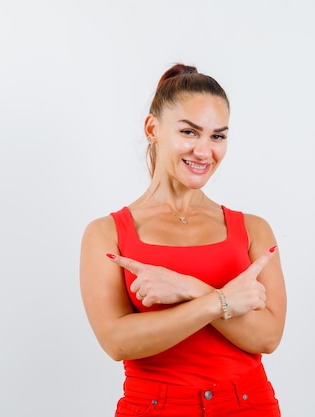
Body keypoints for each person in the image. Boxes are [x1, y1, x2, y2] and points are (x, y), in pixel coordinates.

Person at [79, 63, 287, 417]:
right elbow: (117, 342)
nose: (204, 152)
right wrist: (219, 301)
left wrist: (189, 286)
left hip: (249, 406)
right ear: (152, 129)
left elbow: (267, 338)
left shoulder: (253, 229)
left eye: (217, 136)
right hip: (154, 408)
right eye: (189, 133)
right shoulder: (106, 233)